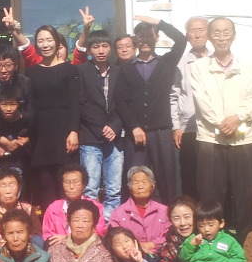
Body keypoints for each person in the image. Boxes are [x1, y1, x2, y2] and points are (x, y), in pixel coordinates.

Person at [189, 17, 252, 240]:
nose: (221, 37)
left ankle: (248, 245)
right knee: (211, 196)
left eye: (226, 32)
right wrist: (222, 123)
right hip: (211, 139)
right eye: (217, 33)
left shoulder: (248, 66)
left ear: (233, 35)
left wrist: (238, 118)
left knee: (246, 196)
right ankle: (211, 246)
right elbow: (201, 101)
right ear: (209, 37)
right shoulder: (198, 67)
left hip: (243, 138)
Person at [117, 15, 187, 204]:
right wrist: (134, 126)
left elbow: (181, 40)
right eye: (141, 36)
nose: (145, 40)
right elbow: (120, 101)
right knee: (135, 179)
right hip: (136, 134)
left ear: (157, 37)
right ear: (136, 40)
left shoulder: (167, 62)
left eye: (149, 35)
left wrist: (159, 23)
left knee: (167, 180)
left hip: (161, 132)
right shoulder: (126, 68)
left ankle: (170, 217)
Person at [25, 25, 80, 207]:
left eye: (49, 40)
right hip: (40, 136)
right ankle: (50, 224)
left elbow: (75, 103)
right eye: (40, 41)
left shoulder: (70, 70)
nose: (45, 44)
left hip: (64, 134)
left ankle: (69, 222)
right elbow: (29, 105)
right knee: (45, 186)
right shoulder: (31, 73)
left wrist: (74, 131)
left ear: (57, 42)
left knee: (67, 184)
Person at [77, 29, 125, 221]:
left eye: (105, 46)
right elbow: (81, 104)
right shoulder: (81, 71)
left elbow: (125, 104)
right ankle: (93, 226)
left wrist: (115, 126)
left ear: (111, 48)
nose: (101, 50)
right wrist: (100, 127)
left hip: (115, 137)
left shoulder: (119, 72)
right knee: (90, 188)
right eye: (96, 46)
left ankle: (111, 225)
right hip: (90, 137)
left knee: (114, 189)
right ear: (90, 50)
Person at [170, 17, 209, 199]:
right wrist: (176, 126)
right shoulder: (181, 62)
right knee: (190, 175)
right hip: (189, 128)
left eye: (201, 30)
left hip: (214, 129)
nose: (197, 35)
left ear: (208, 33)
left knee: (212, 176)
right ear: (187, 35)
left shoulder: (216, 59)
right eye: (193, 31)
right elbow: (173, 96)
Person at [0, 167, 42, 251]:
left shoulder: (27, 209)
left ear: (19, 188)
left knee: (37, 239)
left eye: (12, 185)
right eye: (3, 186)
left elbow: (36, 232)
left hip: (24, 249)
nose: (8, 191)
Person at [41, 163, 108, 247]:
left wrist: (68, 238)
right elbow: (48, 236)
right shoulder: (53, 208)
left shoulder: (95, 207)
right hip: (61, 248)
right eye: (67, 182)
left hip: (88, 247)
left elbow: (100, 233)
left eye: (76, 182)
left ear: (84, 185)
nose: (71, 186)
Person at [108, 166, 170, 254]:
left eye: (144, 182)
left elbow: (170, 236)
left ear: (153, 185)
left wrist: (151, 245)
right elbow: (115, 239)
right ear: (130, 187)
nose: (140, 186)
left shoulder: (164, 211)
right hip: (130, 256)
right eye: (136, 183)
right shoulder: (118, 213)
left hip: (161, 256)